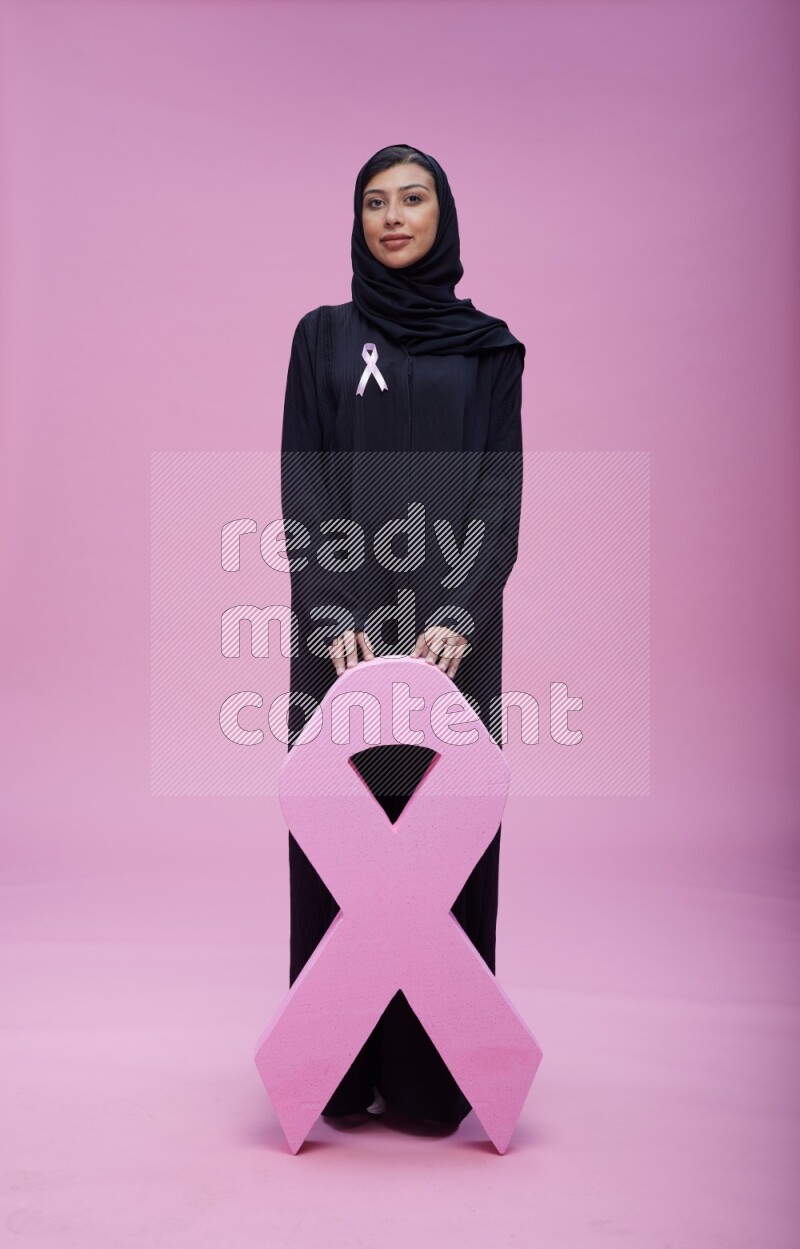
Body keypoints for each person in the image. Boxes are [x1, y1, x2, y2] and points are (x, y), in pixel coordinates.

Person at [280, 144, 525, 1128]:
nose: (391, 216)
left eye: (410, 198)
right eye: (373, 201)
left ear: (442, 214)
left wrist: (459, 614)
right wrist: (334, 613)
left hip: (451, 645)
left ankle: (430, 1083)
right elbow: (305, 481)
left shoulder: (488, 348)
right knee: (340, 844)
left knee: (440, 846)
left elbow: (496, 494)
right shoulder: (321, 338)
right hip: (336, 634)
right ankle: (333, 1072)